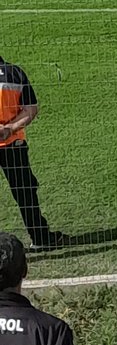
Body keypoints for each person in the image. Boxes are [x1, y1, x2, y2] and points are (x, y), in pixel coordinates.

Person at [0, 56, 65, 247]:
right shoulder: (14, 73)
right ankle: (41, 238)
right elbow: (30, 109)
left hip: (11, 141)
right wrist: (9, 129)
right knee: (25, 193)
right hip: (13, 143)